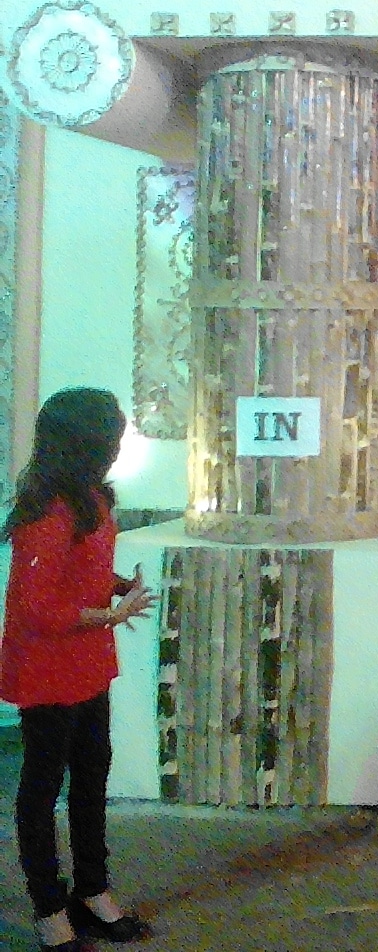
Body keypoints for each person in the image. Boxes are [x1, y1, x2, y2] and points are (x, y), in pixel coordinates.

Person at [1, 388, 155, 951]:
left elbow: (82, 571)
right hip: (47, 669)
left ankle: (92, 889)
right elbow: (36, 608)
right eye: (112, 438)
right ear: (86, 444)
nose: (117, 448)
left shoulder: (92, 497)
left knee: (91, 779)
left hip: (87, 662)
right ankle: (49, 906)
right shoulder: (46, 512)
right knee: (41, 790)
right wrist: (110, 614)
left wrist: (117, 586)